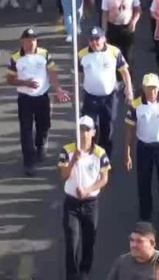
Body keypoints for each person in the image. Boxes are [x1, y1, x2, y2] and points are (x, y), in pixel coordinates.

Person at [6, 28, 69, 176]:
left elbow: (52, 72)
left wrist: (58, 89)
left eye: (34, 39)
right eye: (28, 40)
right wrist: (24, 83)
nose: (31, 43)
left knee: (44, 124)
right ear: (22, 41)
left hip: (42, 97)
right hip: (25, 99)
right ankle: (29, 163)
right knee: (26, 130)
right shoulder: (15, 58)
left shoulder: (44, 54)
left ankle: (41, 146)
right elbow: (9, 79)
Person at [124, 73, 159, 229]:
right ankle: (145, 217)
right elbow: (129, 131)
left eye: (154, 88)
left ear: (158, 88)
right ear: (143, 88)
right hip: (144, 147)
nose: (152, 91)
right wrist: (127, 154)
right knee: (144, 183)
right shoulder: (135, 105)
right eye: (149, 88)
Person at [58, 115, 111, 280]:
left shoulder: (100, 153)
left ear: (93, 132)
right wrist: (74, 160)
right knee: (72, 241)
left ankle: (84, 272)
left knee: (89, 240)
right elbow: (64, 175)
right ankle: (72, 275)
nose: (83, 133)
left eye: (87, 129)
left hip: (90, 204)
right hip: (72, 204)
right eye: (80, 129)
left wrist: (88, 190)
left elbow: (104, 179)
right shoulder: (67, 150)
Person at [79, 27, 133, 157]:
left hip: (109, 98)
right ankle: (89, 155)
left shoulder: (114, 52)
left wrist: (129, 89)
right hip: (90, 98)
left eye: (97, 39)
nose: (94, 42)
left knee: (107, 128)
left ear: (104, 39)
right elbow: (78, 75)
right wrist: (77, 92)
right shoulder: (82, 54)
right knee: (89, 128)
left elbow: (124, 71)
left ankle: (104, 158)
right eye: (91, 39)